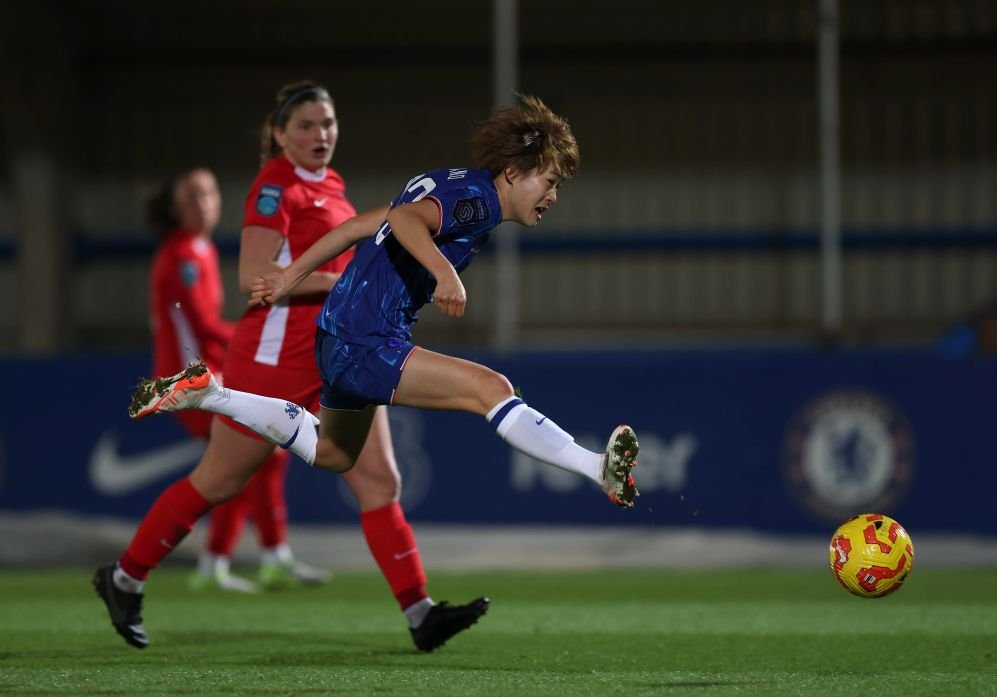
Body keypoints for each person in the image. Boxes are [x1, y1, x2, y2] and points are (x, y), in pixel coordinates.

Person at [124, 92, 637, 629]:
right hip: (363, 339)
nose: (553, 195)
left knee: (334, 456)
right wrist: (444, 272)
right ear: (513, 172)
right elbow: (407, 222)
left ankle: (212, 393)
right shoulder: (477, 201)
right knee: (490, 388)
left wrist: (289, 276)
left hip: (337, 336)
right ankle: (596, 468)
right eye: (550, 181)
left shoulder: (451, 181)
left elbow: (357, 228)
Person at [94, 81, 488, 653]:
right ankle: (124, 578)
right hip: (275, 357)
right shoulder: (274, 186)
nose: (320, 134)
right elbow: (254, 278)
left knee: (380, 481)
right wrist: (354, 281)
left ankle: (421, 614)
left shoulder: (329, 184)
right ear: (279, 134)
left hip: (341, 349)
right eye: (305, 125)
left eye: (327, 123)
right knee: (220, 480)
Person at [145, 167, 327, 594]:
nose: (203, 202)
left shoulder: (199, 250)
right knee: (248, 457)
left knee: (263, 456)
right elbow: (205, 327)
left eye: (209, 192)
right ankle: (223, 561)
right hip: (185, 379)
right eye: (192, 195)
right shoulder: (183, 256)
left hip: (203, 374)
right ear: (175, 208)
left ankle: (266, 557)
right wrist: (255, 338)